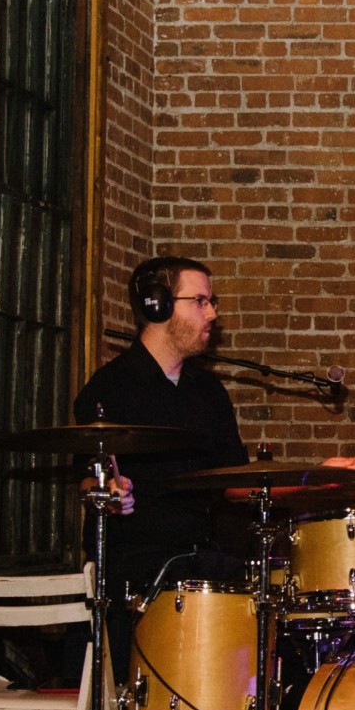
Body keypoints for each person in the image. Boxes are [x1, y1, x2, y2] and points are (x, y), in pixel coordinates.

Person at [71, 257, 250, 601]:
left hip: (199, 556)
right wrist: (107, 492)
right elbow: (88, 479)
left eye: (211, 303)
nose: (211, 314)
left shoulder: (208, 391)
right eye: (200, 301)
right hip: (134, 566)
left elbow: (234, 484)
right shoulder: (110, 389)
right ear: (157, 305)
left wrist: (310, 480)